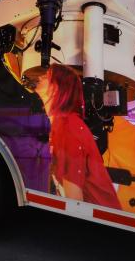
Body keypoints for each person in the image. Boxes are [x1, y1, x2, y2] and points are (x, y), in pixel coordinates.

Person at [33, 64, 121, 209]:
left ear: (57, 88)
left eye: (47, 76)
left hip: (101, 221)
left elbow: (75, 203)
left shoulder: (68, 125)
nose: (40, 77)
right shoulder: (62, 124)